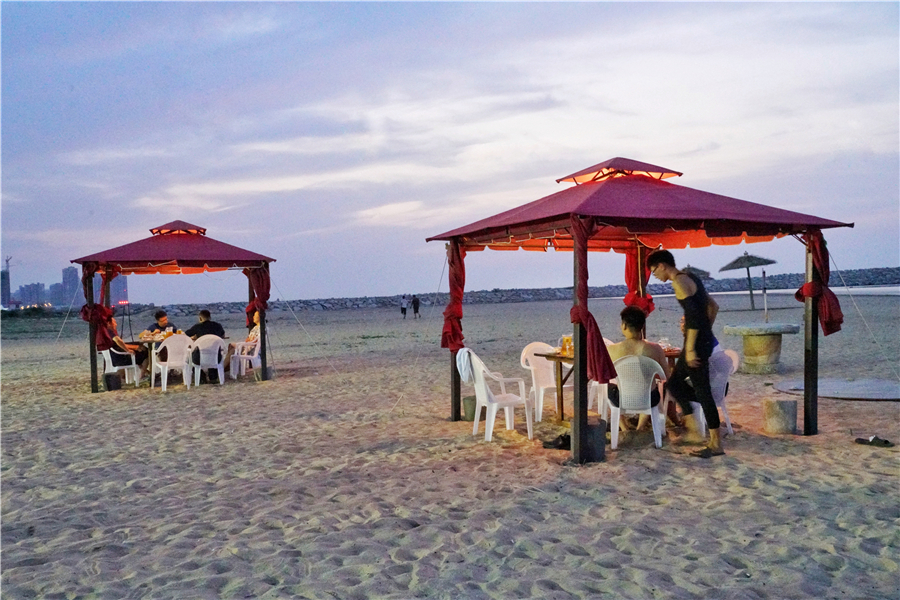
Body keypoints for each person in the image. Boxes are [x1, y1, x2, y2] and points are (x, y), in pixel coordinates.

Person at [648, 249, 723, 458]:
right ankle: (694, 430)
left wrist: (690, 348)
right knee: (674, 384)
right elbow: (713, 307)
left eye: (654, 271)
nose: (656, 276)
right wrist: (706, 330)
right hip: (703, 340)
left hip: (696, 345)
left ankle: (715, 443)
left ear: (662, 265)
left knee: (702, 390)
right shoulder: (692, 277)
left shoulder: (679, 282)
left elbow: (692, 318)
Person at [605, 306, 671, 432]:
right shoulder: (656, 349)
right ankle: (640, 427)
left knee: (606, 388)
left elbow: (604, 376)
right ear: (642, 326)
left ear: (624, 325)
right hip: (650, 399)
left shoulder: (612, 350)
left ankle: (623, 427)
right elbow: (666, 376)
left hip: (621, 399)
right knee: (652, 386)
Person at [101, 315, 150, 380]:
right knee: (146, 353)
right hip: (119, 358)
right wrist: (128, 350)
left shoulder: (105, 332)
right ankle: (142, 375)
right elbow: (118, 341)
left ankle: (144, 371)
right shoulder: (110, 332)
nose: (116, 324)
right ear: (109, 323)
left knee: (142, 348)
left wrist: (135, 347)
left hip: (116, 355)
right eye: (114, 322)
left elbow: (120, 344)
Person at [223, 310, 261, 374]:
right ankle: (227, 366)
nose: (253, 317)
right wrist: (248, 341)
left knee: (233, 350)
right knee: (231, 345)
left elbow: (255, 340)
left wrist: (249, 341)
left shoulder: (261, 328)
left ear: (260, 317)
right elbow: (248, 339)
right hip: (248, 345)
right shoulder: (255, 328)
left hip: (250, 347)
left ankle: (223, 367)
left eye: (255, 316)